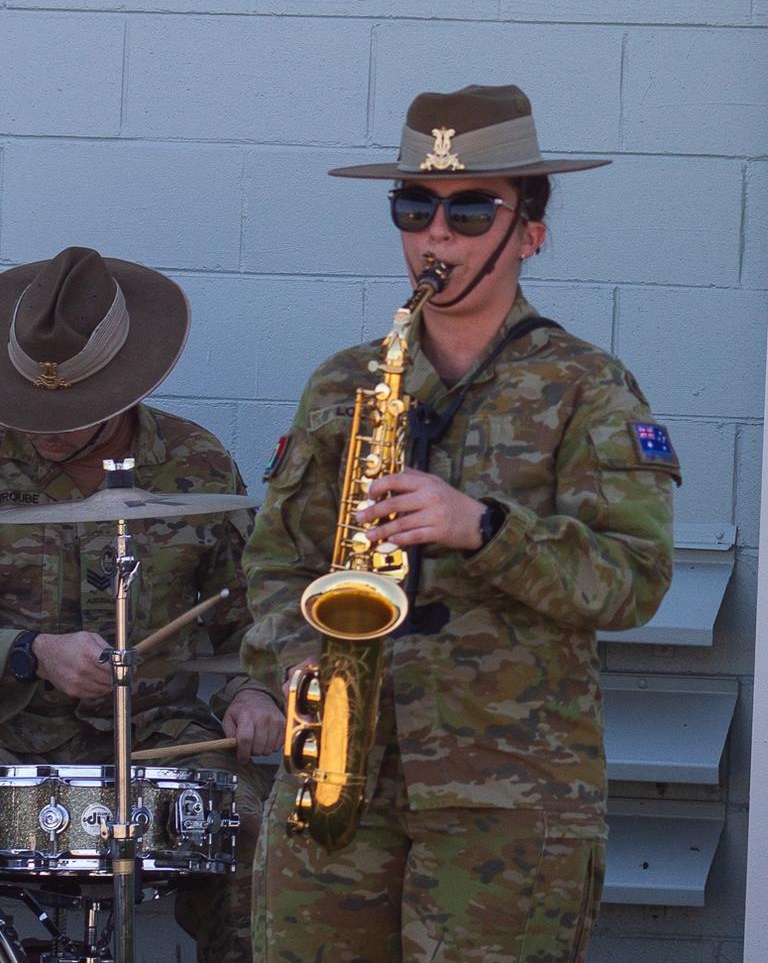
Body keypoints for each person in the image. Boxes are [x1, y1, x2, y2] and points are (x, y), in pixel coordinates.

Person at [242, 84, 682, 963]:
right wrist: (289, 665)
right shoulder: (345, 384)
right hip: (339, 783)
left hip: (509, 803)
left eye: (470, 210)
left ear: (531, 231)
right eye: (415, 207)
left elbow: (633, 578)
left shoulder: (587, 387)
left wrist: (483, 527)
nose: (435, 236)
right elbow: (277, 561)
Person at [0, 246, 284, 963]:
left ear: (125, 389)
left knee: (267, 842)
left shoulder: (196, 463)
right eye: (33, 408)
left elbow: (254, 612)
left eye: (71, 412)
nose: (46, 428)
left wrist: (256, 692)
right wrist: (29, 651)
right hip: (8, 737)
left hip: (161, 737)